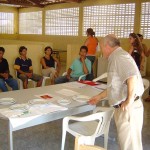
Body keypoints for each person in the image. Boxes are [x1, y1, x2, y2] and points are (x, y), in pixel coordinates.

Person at [88, 35, 144, 150]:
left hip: (128, 109)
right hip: (123, 107)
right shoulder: (115, 56)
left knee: (130, 145)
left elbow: (131, 76)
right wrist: (99, 97)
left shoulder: (119, 57)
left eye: (101, 46)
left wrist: (129, 100)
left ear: (107, 45)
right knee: (126, 144)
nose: (100, 50)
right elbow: (114, 86)